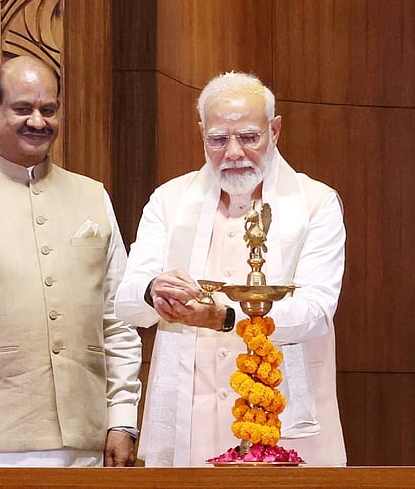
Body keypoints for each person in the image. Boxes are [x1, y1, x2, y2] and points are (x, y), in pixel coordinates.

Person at [0, 56, 142, 467]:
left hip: (87, 444)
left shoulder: (94, 197)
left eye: (48, 110)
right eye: (23, 109)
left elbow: (118, 320)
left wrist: (123, 421)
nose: (38, 121)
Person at [114, 72, 346, 466]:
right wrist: (154, 289)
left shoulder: (315, 203)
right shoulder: (168, 201)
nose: (234, 152)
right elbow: (126, 301)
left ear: (274, 131)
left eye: (249, 137)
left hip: (282, 417)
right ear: (202, 133)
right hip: (188, 419)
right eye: (218, 139)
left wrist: (225, 316)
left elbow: (317, 311)